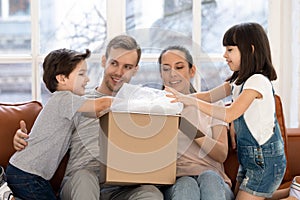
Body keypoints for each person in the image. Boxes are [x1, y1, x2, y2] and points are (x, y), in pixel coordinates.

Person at [13, 35, 163, 200]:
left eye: (127, 67)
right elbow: (50, 129)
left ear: (135, 70)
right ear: (104, 61)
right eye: (114, 63)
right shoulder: (80, 100)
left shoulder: (143, 105)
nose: (119, 72)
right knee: (85, 177)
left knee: (152, 193)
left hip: (122, 187)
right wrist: (21, 138)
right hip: (81, 182)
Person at [165, 22, 287, 200]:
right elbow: (208, 96)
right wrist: (181, 97)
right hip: (249, 157)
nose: (225, 55)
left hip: (265, 160)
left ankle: (294, 195)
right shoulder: (237, 81)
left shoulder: (257, 81)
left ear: (250, 50)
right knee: (243, 195)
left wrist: (188, 101)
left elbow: (230, 114)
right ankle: (293, 190)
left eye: (230, 50)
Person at [6, 48, 113, 200]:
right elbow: (101, 105)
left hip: (29, 173)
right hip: (26, 174)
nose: (87, 79)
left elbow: (96, 112)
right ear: (62, 79)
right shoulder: (64, 99)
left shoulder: (69, 104)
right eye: (81, 74)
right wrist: (139, 104)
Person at [157, 46, 234, 200]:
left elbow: (221, 154)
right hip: (175, 183)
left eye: (179, 67)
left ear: (192, 71)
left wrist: (185, 126)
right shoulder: (154, 110)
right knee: (186, 184)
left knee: (209, 178)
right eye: (166, 69)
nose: (173, 73)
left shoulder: (213, 106)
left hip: (215, 183)